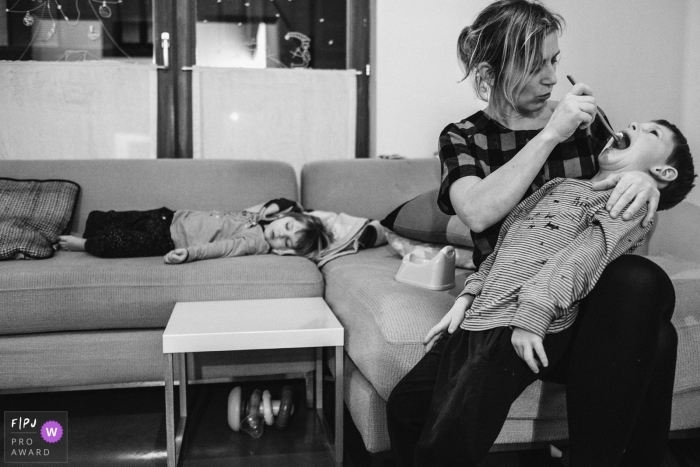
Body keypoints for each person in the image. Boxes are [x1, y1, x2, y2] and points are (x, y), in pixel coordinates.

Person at [386, 2, 690, 466]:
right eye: (535, 66)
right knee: (408, 406)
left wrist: (643, 184)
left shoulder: (585, 125)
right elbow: (480, 213)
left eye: (555, 61)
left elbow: (616, 227)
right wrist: (549, 134)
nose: (551, 79)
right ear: (491, 72)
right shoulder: (464, 137)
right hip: (506, 303)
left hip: (582, 308)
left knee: (640, 284)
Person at [58, 199, 332, 263]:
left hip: (166, 238)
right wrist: (287, 211)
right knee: (106, 219)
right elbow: (281, 203)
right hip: (171, 216)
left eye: (287, 241)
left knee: (116, 242)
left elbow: (223, 248)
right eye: (286, 227)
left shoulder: (256, 241)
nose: (279, 235)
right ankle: (76, 233)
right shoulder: (259, 218)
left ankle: (83, 246)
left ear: (285, 251)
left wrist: (190, 253)